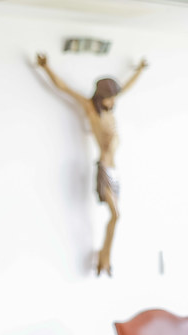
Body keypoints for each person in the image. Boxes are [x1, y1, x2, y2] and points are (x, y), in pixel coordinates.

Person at [36, 53, 147, 276]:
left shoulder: (110, 111)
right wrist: (46, 67)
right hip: (104, 168)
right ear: (101, 96)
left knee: (116, 217)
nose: (113, 101)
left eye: (114, 98)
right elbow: (64, 88)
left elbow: (126, 87)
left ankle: (105, 256)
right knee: (115, 215)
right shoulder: (91, 110)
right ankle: (104, 257)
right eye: (110, 98)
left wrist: (140, 70)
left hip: (115, 170)